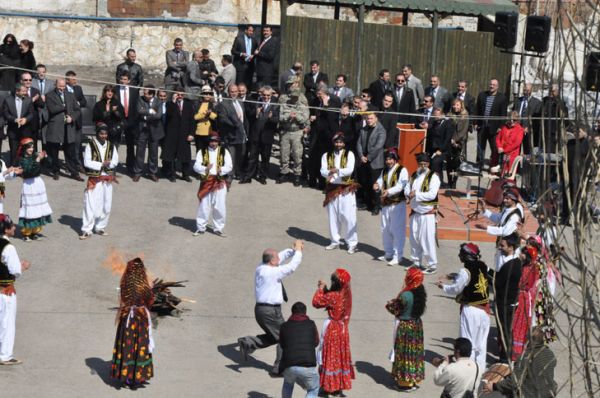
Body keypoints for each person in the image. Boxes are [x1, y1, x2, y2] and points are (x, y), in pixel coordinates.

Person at [238, 240, 304, 376]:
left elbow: (278, 256)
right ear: (272, 262)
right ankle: (279, 368)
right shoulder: (272, 273)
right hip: (270, 311)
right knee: (285, 337)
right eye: (277, 259)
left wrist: (291, 250)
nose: (279, 259)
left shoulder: (261, 267)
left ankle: (249, 342)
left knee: (274, 336)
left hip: (261, 310)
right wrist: (298, 252)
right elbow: (292, 267)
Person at [435, 243, 490, 369]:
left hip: (471, 311)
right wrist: (451, 276)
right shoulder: (483, 265)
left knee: (467, 341)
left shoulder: (465, 271)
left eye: (461, 253)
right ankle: (479, 369)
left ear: (466, 256)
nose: (459, 255)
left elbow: (456, 288)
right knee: (481, 344)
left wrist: (443, 286)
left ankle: (467, 368)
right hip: (484, 311)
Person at [111, 258, 154, 388]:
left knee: (127, 346)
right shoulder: (144, 286)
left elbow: (124, 298)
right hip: (140, 320)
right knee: (140, 345)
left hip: (127, 321)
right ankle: (137, 377)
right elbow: (149, 300)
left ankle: (126, 376)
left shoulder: (124, 284)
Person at [312, 268, 354, 397]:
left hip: (332, 329)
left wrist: (320, 289)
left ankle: (328, 386)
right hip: (342, 329)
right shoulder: (346, 294)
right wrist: (326, 290)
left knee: (328, 356)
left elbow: (316, 302)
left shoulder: (333, 296)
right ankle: (338, 387)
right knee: (340, 357)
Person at [483, 327, 557, 397]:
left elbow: (515, 381)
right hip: (548, 393)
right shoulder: (550, 353)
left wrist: (495, 386)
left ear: (528, 340)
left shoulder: (525, 357)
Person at [386, 267, 427, 392]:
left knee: (404, 353)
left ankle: (404, 383)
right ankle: (413, 380)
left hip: (405, 327)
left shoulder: (405, 295)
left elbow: (395, 309)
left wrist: (390, 304)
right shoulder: (421, 291)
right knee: (414, 353)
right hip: (416, 325)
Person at [0, 213, 30, 365]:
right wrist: (22, 266)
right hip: (5, 291)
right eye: (11, 226)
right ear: (5, 230)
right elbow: (15, 270)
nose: (13, 228)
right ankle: (5, 355)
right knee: (7, 322)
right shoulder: (8, 247)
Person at [321, 133, 359, 254]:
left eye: (341, 142)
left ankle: (352, 243)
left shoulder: (350, 154)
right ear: (334, 143)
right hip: (332, 188)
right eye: (337, 142)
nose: (339, 144)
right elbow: (322, 170)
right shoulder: (326, 155)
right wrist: (328, 173)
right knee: (333, 217)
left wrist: (337, 171)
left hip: (345, 188)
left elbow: (349, 169)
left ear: (344, 143)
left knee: (348, 217)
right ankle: (335, 241)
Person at [79, 123, 118, 240]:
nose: (104, 136)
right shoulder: (90, 145)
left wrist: (109, 163)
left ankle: (100, 226)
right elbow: (87, 162)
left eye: (105, 134)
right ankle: (87, 229)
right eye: (101, 134)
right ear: (97, 133)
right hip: (95, 179)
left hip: (107, 179)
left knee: (107, 204)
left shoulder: (111, 146)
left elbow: (115, 160)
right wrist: (101, 164)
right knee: (90, 204)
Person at [405, 152, 441, 274]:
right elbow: (408, 187)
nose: (422, 166)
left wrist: (417, 194)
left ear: (428, 164)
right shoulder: (415, 175)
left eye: (425, 164)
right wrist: (408, 194)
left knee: (427, 239)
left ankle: (432, 265)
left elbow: (432, 194)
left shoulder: (433, 177)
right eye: (420, 164)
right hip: (415, 212)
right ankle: (416, 262)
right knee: (414, 238)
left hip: (427, 213)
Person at [373, 148, 409, 266]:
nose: (388, 161)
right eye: (387, 159)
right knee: (385, 229)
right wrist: (377, 185)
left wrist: (388, 191)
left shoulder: (402, 170)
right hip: (386, 204)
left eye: (390, 159)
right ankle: (388, 252)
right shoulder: (385, 170)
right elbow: (380, 180)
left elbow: (400, 186)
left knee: (396, 230)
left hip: (397, 204)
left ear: (395, 159)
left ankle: (397, 256)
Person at [192, 132, 232, 237]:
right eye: (211, 141)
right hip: (207, 181)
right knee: (204, 205)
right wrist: (205, 168)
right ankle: (200, 228)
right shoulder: (202, 151)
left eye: (215, 141)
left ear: (218, 141)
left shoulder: (224, 151)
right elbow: (196, 166)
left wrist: (221, 169)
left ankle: (218, 228)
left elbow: (229, 165)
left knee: (220, 206)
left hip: (219, 182)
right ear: (209, 141)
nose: (213, 143)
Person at [490, 233, 523, 363]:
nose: (500, 247)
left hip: (505, 304)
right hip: (508, 302)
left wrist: (486, 270)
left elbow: (498, 282)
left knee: (504, 331)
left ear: (511, 247)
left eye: (502, 245)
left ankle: (505, 359)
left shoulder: (511, 265)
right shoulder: (514, 261)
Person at [279, 301, 320, 398]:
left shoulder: (284, 326)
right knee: (313, 388)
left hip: (289, 365)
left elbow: (282, 344)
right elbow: (316, 342)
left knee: (288, 384)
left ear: (292, 312)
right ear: (305, 312)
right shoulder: (311, 324)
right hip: (307, 365)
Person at [46, 78, 83, 180]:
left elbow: (77, 110)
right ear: (55, 85)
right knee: (54, 152)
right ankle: (55, 171)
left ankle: (74, 172)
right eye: (60, 86)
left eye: (63, 86)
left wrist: (72, 117)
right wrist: (64, 106)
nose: (62, 88)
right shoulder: (49, 95)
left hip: (68, 128)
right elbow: (52, 109)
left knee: (70, 152)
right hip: (56, 127)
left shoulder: (70, 95)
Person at [16, 138, 52, 241]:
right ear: (24, 148)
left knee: (38, 207)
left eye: (32, 147)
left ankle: (35, 232)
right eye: (29, 147)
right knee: (29, 208)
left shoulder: (35, 155)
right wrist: (37, 160)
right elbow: (28, 172)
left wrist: (45, 156)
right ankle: (26, 233)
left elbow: (50, 163)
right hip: (28, 184)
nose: (31, 149)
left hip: (38, 184)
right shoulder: (22, 160)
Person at [277, 76, 310, 186]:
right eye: (290, 84)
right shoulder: (283, 98)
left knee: (297, 154)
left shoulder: (302, 98)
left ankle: (297, 175)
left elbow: (306, 115)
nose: (292, 85)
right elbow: (279, 114)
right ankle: (284, 173)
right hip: (286, 130)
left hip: (297, 131)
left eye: (293, 83)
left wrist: (306, 125)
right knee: (284, 154)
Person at [161, 88, 194, 182]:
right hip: (172, 133)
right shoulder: (169, 104)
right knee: (171, 155)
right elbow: (169, 114)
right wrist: (173, 102)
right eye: (178, 94)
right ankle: (172, 174)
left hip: (184, 133)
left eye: (181, 94)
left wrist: (191, 133)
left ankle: (185, 174)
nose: (180, 96)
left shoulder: (188, 105)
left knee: (185, 156)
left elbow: (192, 120)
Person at [356, 112, 386, 215]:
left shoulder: (381, 131)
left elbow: (378, 146)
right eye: (368, 118)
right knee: (365, 183)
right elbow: (359, 143)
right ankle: (367, 204)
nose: (369, 120)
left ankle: (377, 206)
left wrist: (368, 158)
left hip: (375, 161)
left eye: (371, 118)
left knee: (375, 185)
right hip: (364, 160)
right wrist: (361, 156)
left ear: (376, 119)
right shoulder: (364, 129)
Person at [134, 85, 164, 182]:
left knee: (153, 153)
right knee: (140, 152)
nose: (144, 94)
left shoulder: (158, 102)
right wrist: (150, 111)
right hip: (142, 130)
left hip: (154, 130)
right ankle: (138, 172)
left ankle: (152, 172)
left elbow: (158, 115)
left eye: (146, 93)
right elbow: (139, 110)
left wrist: (146, 116)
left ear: (151, 94)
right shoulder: (140, 99)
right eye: (144, 92)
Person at [475, 78, 507, 167]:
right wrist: (476, 123)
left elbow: (503, 114)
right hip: (482, 127)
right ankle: (479, 165)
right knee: (480, 147)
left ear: (497, 86)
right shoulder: (482, 95)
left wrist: (501, 127)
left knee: (494, 148)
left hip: (495, 128)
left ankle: (493, 165)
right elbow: (477, 110)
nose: (491, 86)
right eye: (490, 84)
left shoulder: (502, 98)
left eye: (494, 85)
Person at [2, 83, 34, 166]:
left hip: (25, 130)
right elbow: (6, 113)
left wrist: (26, 119)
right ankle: (14, 168)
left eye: (26, 91)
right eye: (23, 91)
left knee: (26, 150)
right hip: (13, 130)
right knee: (14, 150)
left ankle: (25, 168)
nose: (25, 93)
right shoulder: (8, 100)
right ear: (17, 91)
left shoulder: (28, 100)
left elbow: (31, 114)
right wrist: (14, 119)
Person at [114, 72, 140, 174]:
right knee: (115, 144)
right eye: (121, 79)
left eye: (125, 79)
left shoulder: (134, 91)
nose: (123, 81)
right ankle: (112, 166)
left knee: (130, 145)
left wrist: (134, 120)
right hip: (118, 119)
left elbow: (136, 106)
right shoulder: (115, 90)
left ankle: (130, 166)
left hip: (131, 120)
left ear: (129, 81)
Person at [446, 99, 469, 187]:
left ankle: (454, 182)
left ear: (461, 106)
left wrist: (455, 140)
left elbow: (463, 131)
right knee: (449, 163)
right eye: (454, 105)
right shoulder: (449, 115)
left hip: (459, 143)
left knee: (456, 163)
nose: (455, 106)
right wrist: (450, 139)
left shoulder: (465, 116)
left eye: (457, 105)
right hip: (449, 142)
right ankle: (449, 182)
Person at [493, 111, 524, 175]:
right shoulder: (504, 127)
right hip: (500, 154)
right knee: (498, 174)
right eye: (511, 119)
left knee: (509, 175)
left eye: (514, 120)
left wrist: (504, 150)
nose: (512, 121)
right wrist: (499, 147)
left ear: (517, 120)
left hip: (512, 155)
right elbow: (498, 138)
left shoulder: (520, 129)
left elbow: (516, 143)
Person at [193, 85, 218, 152]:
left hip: (209, 132)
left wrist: (210, 114)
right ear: (202, 94)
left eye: (209, 94)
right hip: (199, 132)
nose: (207, 95)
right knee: (199, 151)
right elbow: (195, 117)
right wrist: (204, 114)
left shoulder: (213, 104)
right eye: (205, 93)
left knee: (209, 151)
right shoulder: (197, 104)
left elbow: (216, 117)